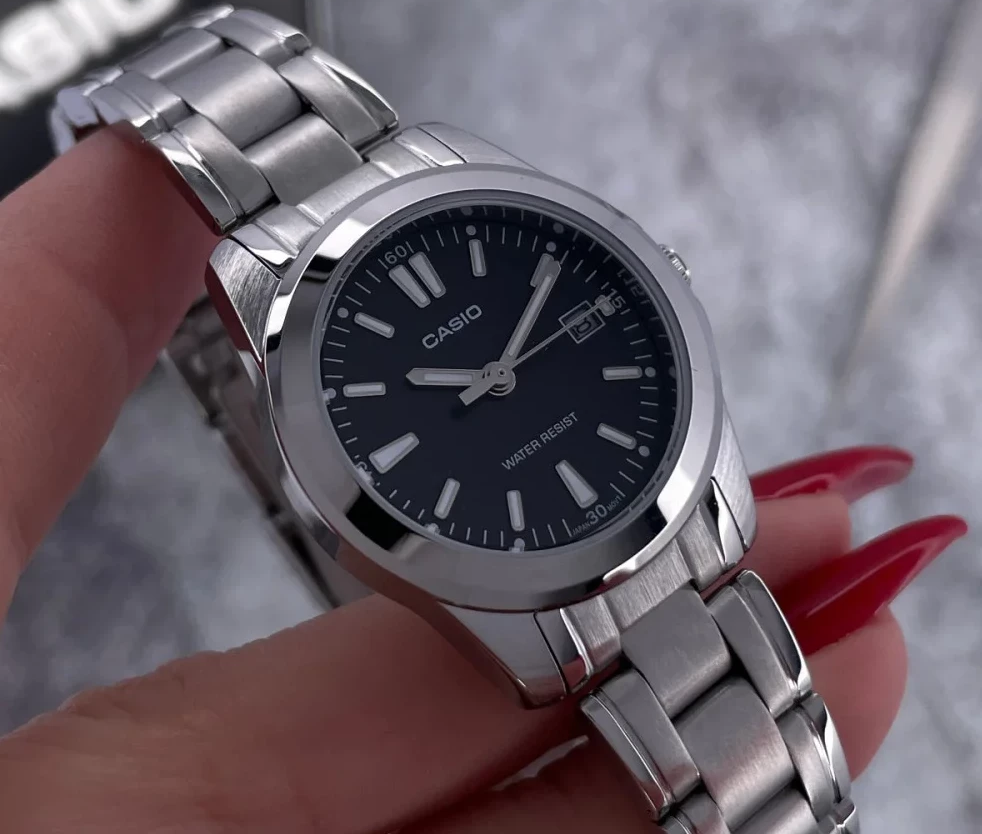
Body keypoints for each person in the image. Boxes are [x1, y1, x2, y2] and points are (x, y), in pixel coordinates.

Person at [0, 125, 964, 832]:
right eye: (484, 383)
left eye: (500, 373)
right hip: (551, 587)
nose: (499, 381)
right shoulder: (274, 304)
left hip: (655, 511)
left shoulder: (460, 182)